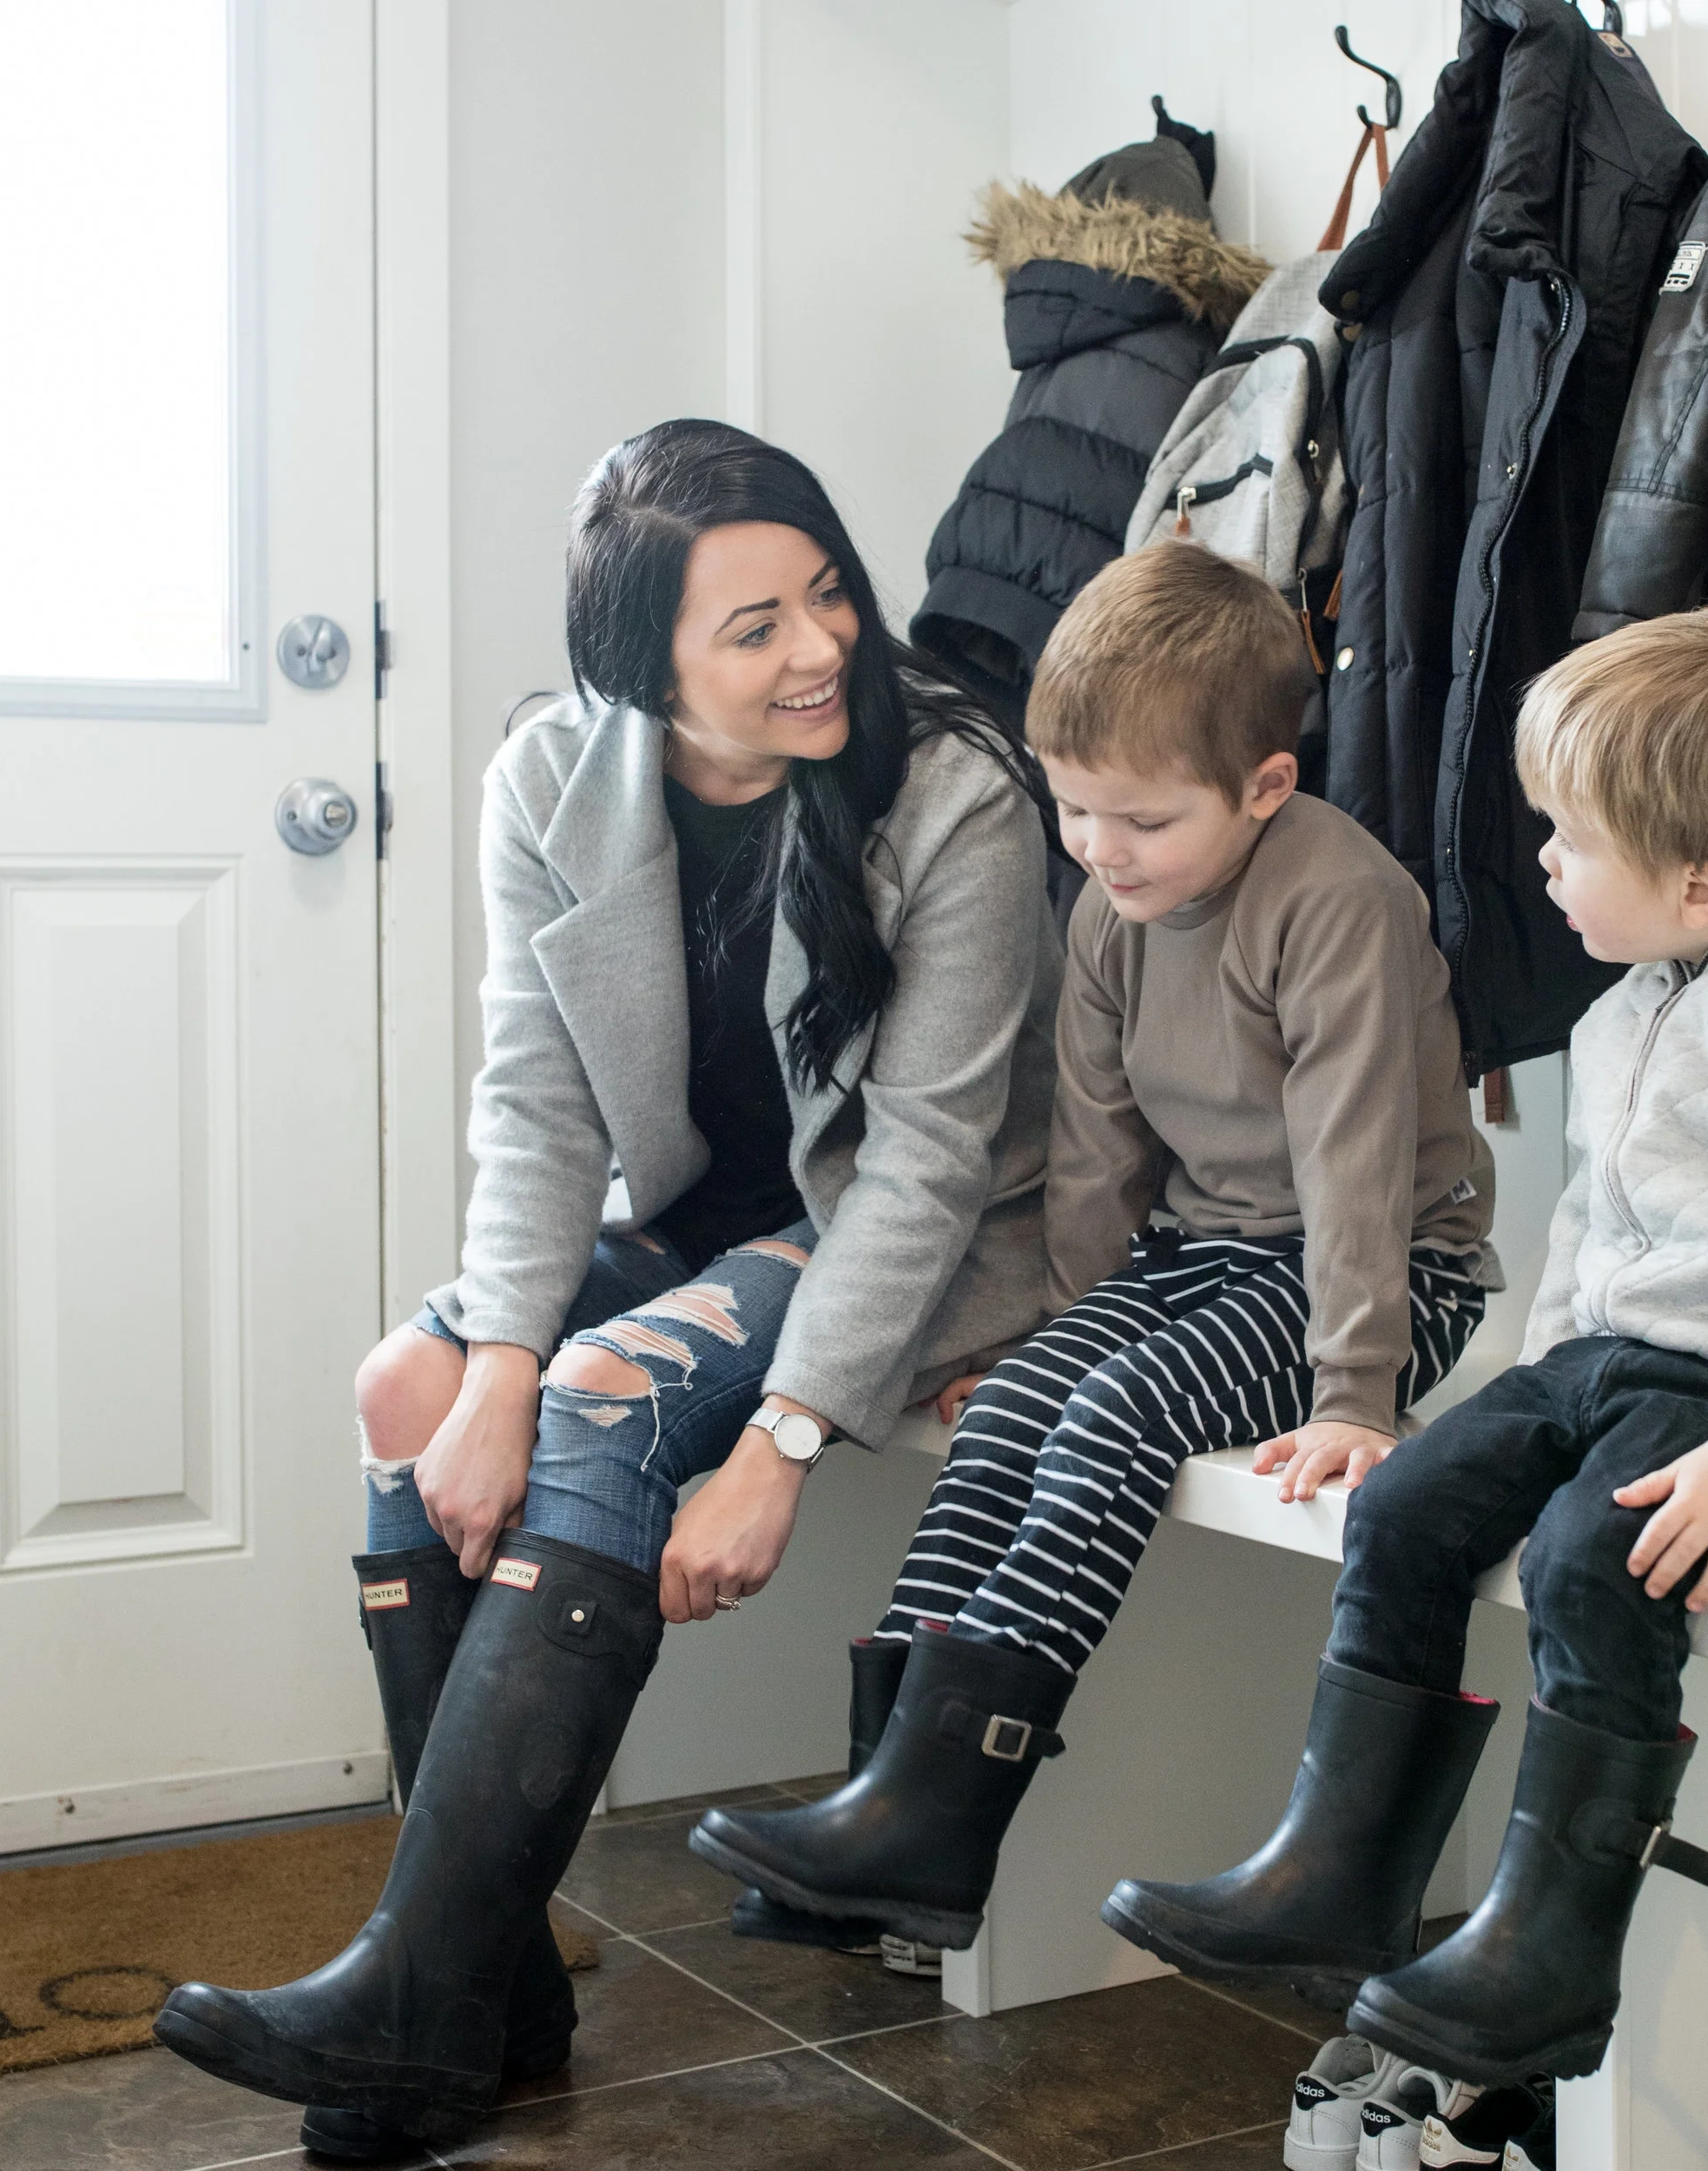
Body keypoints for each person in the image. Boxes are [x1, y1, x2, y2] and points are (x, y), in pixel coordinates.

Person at [152, 420, 1064, 2154]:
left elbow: (934, 1157)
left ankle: (417, 1995)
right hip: (687, 1224)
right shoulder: (550, 774)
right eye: (752, 627)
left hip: (902, 1235)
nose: (818, 647)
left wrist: (783, 1436)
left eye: (826, 593)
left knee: (604, 1384)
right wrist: (490, 1366)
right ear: (637, 658)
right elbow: (537, 1094)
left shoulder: (950, 787)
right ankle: (480, 1996)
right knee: (407, 1391)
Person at [1100, 595, 1708, 2088]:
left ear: (1703, 885)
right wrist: (1530, 1397)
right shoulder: (1640, 996)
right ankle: (1338, 1875)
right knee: (1417, 1503)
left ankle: (1554, 1955)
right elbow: (1591, 1221)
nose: (1545, 864)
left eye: (1570, 840)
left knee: (1593, 1557)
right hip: (1618, 1368)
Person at [691, 541, 1500, 1955]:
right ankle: (882, 1806)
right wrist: (1050, 1327)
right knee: (1018, 1404)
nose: (1101, 850)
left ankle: (949, 1810)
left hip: (1381, 1272)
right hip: (1206, 1255)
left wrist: (1355, 1392)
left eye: (1141, 820)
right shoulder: (1115, 907)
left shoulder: (1337, 904)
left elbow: (1358, 1164)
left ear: (1265, 787)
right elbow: (1099, 1147)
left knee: (1119, 1416)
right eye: (1073, 811)